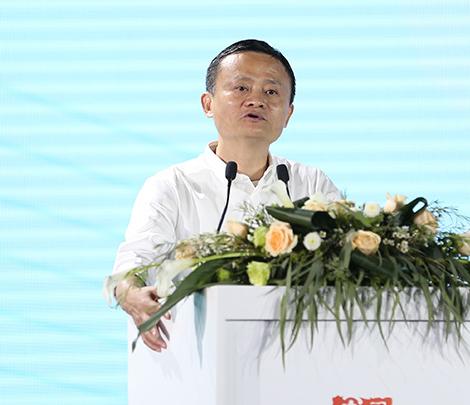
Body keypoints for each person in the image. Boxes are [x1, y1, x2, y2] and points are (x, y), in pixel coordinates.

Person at [112, 40, 341, 352]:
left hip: (299, 353)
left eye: (271, 92)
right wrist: (131, 294)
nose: (256, 100)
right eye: (241, 88)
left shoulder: (311, 185)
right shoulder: (171, 186)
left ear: (288, 114)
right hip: (199, 354)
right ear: (208, 104)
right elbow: (133, 265)